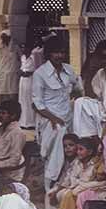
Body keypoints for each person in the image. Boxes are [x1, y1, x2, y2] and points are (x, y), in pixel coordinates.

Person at [32, 37, 83, 193]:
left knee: (69, 155)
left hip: (68, 119)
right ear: (49, 54)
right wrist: (54, 119)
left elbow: (78, 89)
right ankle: (49, 189)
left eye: (62, 52)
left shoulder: (69, 70)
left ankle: (63, 187)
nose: (59, 55)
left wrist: (74, 102)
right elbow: (37, 103)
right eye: (56, 52)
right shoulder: (40, 74)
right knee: (52, 157)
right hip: (50, 122)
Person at [55, 136, 106, 209]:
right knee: (63, 193)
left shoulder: (95, 163)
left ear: (90, 152)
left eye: (81, 149)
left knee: (70, 195)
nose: (78, 152)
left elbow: (97, 181)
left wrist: (77, 186)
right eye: (77, 150)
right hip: (77, 187)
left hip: (90, 188)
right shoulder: (77, 163)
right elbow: (71, 178)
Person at [45, 134, 80, 209]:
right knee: (49, 193)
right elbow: (63, 178)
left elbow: (70, 180)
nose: (68, 148)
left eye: (71, 145)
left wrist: (58, 189)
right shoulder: (65, 160)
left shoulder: (78, 161)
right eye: (65, 146)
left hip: (74, 185)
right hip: (65, 184)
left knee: (59, 194)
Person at [0, 31, 21, 104]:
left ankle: (12, 108)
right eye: (3, 37)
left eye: (6, 37)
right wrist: (3, 67)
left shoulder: (16, 47)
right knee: (0, 93)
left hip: (13, 73)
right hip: (2, 73)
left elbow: (21, 58)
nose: (5, 39)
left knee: (13, 93)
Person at [17, 43, 37, 130]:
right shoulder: (23, 57)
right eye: (22, 48)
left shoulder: (34, 57)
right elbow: (22, 68)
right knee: (22, 100)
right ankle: (23, 122)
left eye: (24, 48)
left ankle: (31, 122)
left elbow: (36, 69)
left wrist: (29, 73)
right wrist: (21, 72)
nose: (23, 49)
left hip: (30, 80)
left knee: (29, 100)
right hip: (23, 80)